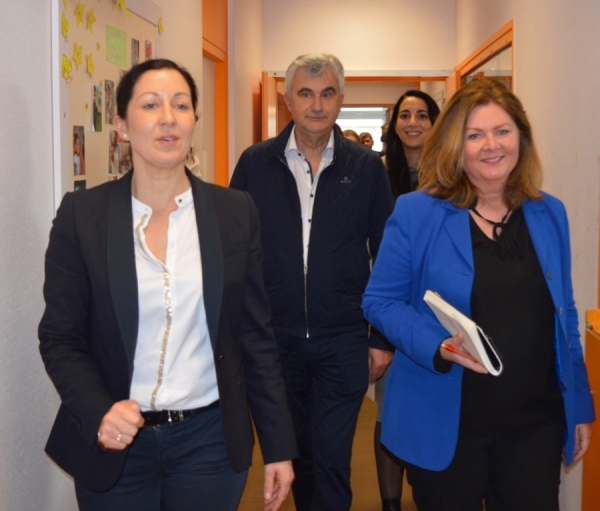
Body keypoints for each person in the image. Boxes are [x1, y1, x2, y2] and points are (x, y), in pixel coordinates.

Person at [39, 59, 297, 511]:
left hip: (209, 442)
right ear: (121, 125)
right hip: (117, 440)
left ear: (194, 120)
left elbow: (256, 337)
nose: (168, 118)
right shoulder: (83, 217)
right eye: (150, 104)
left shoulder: (235, 213)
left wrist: (278, 444)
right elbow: (60, 337)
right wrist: (99, 408)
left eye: (181, 105)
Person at [362, 78, 594, 511]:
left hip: (534, 425)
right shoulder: (417, 212)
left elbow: (565, 315)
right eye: (475, 135)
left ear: (520, 138)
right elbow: (379, 302)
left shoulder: (549, 212)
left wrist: (579, 404)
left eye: (503, 131)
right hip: (446, 424)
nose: (492, 145)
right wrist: (438, 345)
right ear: (455, 144)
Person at [230, 53, 394, 511]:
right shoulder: (255, 164)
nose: (316, 105)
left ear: (341, 100)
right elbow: (233, 252)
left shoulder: (367, 168)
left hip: (342, 339)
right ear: (288, 100)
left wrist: (380, 336)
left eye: (326, 94)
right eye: (305, 93)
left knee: (333, 459)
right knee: (291, 455)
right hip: (274, 341)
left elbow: (386, 257)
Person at [375, 90, 440, 511]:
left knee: (429, 410)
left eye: (421, 115)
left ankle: (429, 493)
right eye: (404, 115)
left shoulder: (453, 174)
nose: (412, 122)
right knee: (388, 411)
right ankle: (391, 503)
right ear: (394, 124)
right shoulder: (376, 173)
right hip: (387, 309)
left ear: (436, 123)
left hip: (435, 312)